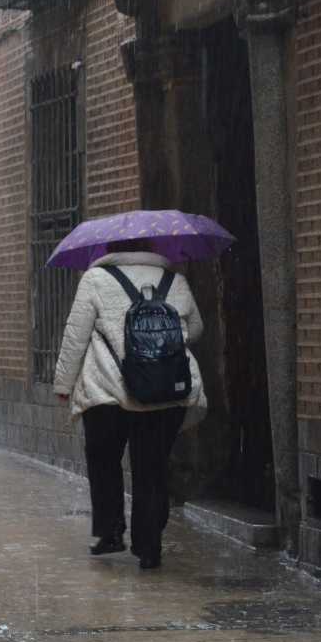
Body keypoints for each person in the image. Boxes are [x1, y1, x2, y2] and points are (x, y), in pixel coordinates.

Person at [53, 239, 207, 569]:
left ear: (110, 248)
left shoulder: (95, 279)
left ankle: (110, 532)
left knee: (103, 459)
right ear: (152, 246)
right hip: (164, 393)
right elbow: (195, 329)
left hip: (107, 390)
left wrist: (64, 384)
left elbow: (75, 336)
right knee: (151, 469)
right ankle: (149, 546)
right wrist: (157, 348)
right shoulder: (174, 279)